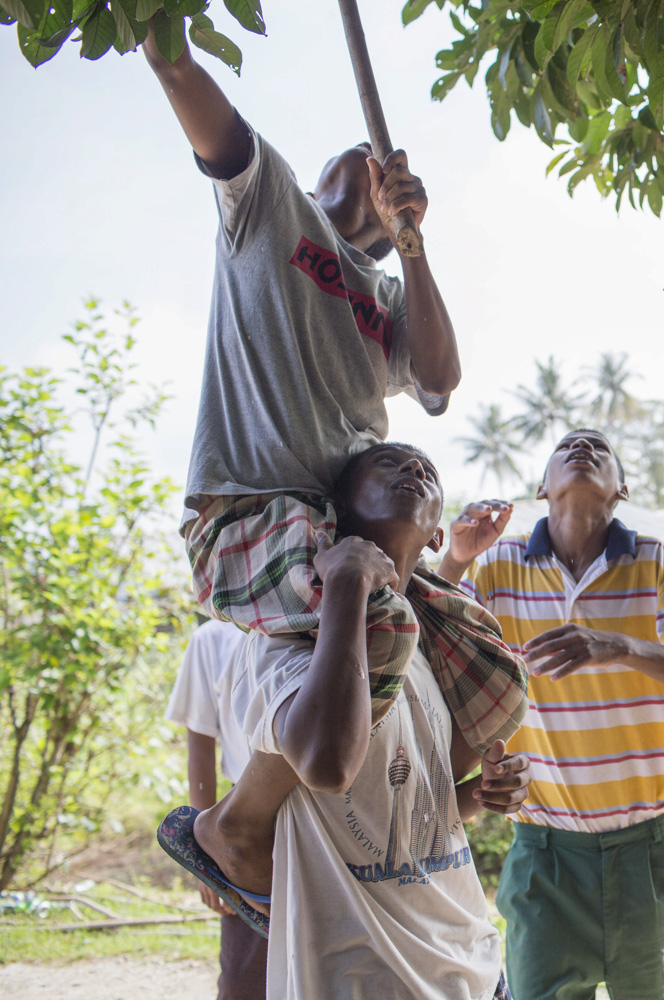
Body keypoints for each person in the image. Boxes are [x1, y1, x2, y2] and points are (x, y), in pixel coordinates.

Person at [141, 24, 527, 921]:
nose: (372, 155)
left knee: (488, 663)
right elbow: (187, 90)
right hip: (252, 517)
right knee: (382, 623)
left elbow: (436, 382)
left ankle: (426, 818)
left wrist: (413, 242)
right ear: (315, 180)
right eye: (351, 156)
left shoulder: (389, 290)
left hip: (338, 529)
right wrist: (161, 38)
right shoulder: (266, 204)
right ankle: (237, 826)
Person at [167, 442, 530, 999]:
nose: (411, 468)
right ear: (333, 507)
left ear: (436, 537)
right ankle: (226, 833)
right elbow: (328, 765)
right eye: (387, 462)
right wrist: (345, 582)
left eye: (426, 471)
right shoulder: (286, 643)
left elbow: (407, 823)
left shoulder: (431, 647)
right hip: (362, 980)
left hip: (473, 966)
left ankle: (231, 832)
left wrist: (483, 793)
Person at [438, 428, 664, 1000]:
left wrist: (622, 646)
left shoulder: (655, 564)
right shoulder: (498, 566)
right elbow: (428, 628)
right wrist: (455, 557)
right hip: (544, 856)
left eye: (598, 447)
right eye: (567, 446)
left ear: (620, 488)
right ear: (541, 486)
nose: (582, 448)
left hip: (646, 853)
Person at [165, 618, 266, 1000]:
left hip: (327, 815)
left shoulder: (323, 620)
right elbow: (201, 748)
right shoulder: (213, 639)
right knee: (245, 976)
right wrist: (207, 862)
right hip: (249, 821)